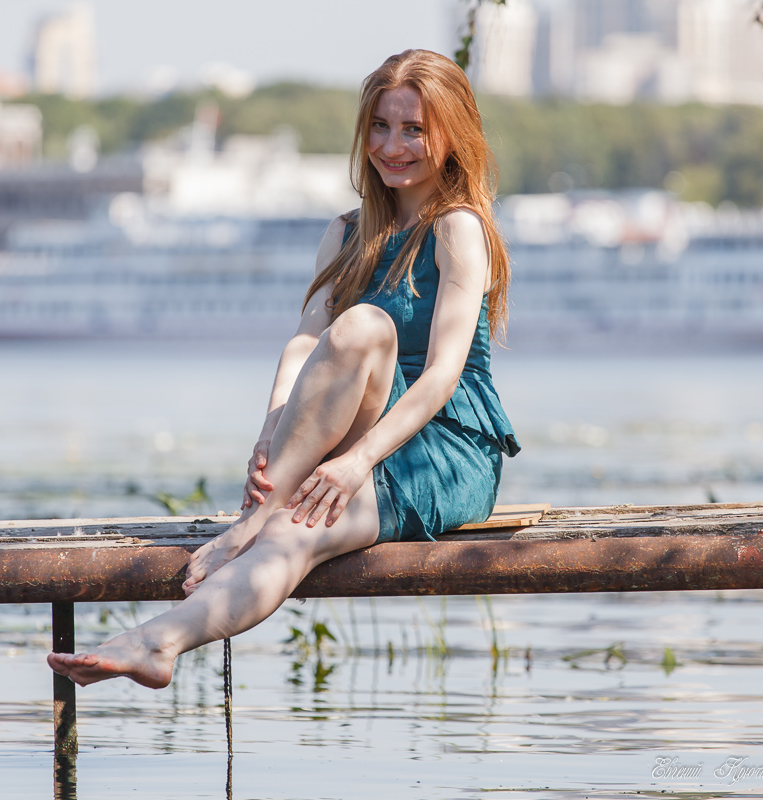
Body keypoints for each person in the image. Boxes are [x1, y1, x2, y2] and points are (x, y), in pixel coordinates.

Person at [47, 49, 520, 689]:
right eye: (380, 126)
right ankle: (161, 640)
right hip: (359, 426)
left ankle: (171, 622)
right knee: (351, 343)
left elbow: (441, 376)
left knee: (294, 529)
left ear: (453, 135)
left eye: (414, 129)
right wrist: (272, 432)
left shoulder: (458, 228)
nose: (392, 146)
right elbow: (304, 344)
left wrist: (353, 464)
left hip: (440, 446)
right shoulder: (347, 233)